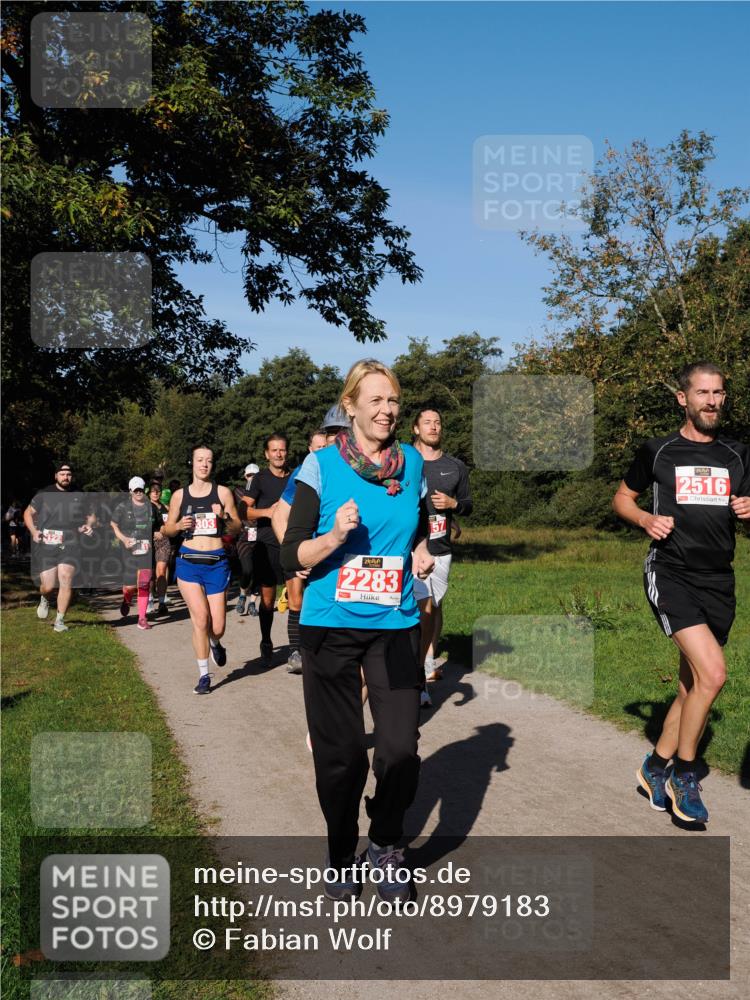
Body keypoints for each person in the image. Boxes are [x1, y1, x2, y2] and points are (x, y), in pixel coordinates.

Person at [281, 359, 434, 902]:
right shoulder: (320, 467)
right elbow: (290, 549)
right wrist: (333, 538)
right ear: (350, 407)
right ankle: (341, 850)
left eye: (393, 401)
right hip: (329, 628)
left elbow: (416, 523)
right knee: (342, 755)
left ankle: (387, 843)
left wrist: (417, 550)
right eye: (375, 401)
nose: (387, 410)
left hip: (394, 624)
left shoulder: (411, 463)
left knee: (399, 748)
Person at [613, 362, 750, 823]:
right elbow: (622, 499)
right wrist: (645, 520)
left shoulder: (738, 454)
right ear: (683, 399)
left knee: (691, 684)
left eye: (718, 393)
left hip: (719, 579)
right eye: (702, 393)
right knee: (713, 674)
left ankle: (654, 767)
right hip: (671, 572)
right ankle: (684, 774)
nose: (711, 401)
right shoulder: (658, 451)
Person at [163, 446, 241, 694]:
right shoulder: (179, 496)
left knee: (217, 627)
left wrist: (225, 517)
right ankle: (204, 675)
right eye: (200, 460)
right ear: (192, 463)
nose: (204, 464)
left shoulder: (223, 493)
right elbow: (166, 530)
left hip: (216, 562)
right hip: (188, 562)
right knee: (200, 618)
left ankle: (216, 642)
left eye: (208, 460)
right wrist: (178, 525)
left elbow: (236, 527)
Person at [412, 408, 473, 707]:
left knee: (432, 608)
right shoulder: (404, 461)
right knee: (420, 611)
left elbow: (468, 504)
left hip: (441, 549)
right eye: (428, 423)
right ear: (415, 428)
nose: (434, 427)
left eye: (438, 422)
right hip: (408, 549)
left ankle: (423, 665)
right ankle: (419, 677)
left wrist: (453, 504)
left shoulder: (455, 466)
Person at [271, 429, 328, 673]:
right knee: (296, 598)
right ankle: (296, 652)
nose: (322, 452)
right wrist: (293, 554)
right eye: (317, 448)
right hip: (301, 545)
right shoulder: (303, 472)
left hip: (327, 548)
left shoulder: (341, 469)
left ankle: (321, 651)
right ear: (309, 449)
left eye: (326, 447)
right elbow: (278, 516)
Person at [24, 462, 94, 632]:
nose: (65, 477)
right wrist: (34, 531)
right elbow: (28, 513)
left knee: (65, 578)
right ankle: (45, 597)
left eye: (68, 474)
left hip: (70, 542)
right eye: (62, 474)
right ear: (56, 476)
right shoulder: (44, 493)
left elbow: (91, 515)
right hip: (48, 542)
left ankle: (60, 621)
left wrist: (88, 525)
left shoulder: (79, 494)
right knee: (48, 585)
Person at [244, 434, 292, 666]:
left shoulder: (295, 477)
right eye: (274, 450)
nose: (279, 454)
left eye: (282, 450)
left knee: (297, 597)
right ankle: (266, 640)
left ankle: (297, 647)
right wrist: (267, 512)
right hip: (267, 544)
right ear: (266, 454)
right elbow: (245, 511)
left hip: (292, 543)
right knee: (268, 598)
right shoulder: (259, 479)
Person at [111, 477, 162, 630]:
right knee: (130, 587)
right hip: (129, 549)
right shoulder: (122, 507)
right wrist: (123, 538)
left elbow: (160, 526)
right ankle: (127, 599)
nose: (139, 492)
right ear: (131, 491)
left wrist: (160, 532)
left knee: (144, 583)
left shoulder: (152, 508)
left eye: (141, 489)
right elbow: (113, 524)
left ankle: (142, 618)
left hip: (146, 550)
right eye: (136, 490)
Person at [234, 463, 260, 617]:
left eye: (255, 476)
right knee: (247, 570)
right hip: (244, 537)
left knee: (258, 572)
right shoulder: (239, 491)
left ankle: (252, 603)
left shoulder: (264, 493)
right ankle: (243, 594)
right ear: (245, 476)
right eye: (249, 475)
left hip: (260, 537)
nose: (252, 478)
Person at [149, 481, 172, 615]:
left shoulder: (165, 507)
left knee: (162, 571)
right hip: (149, 541)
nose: (156, 493)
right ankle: (150, 599)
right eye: (153, 491)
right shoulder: (145, 506)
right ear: (149, 493)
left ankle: (162, 602)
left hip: (163, 541)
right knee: (150, 574)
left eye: (158, 491)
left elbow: (171, 523)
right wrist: (153, 533)